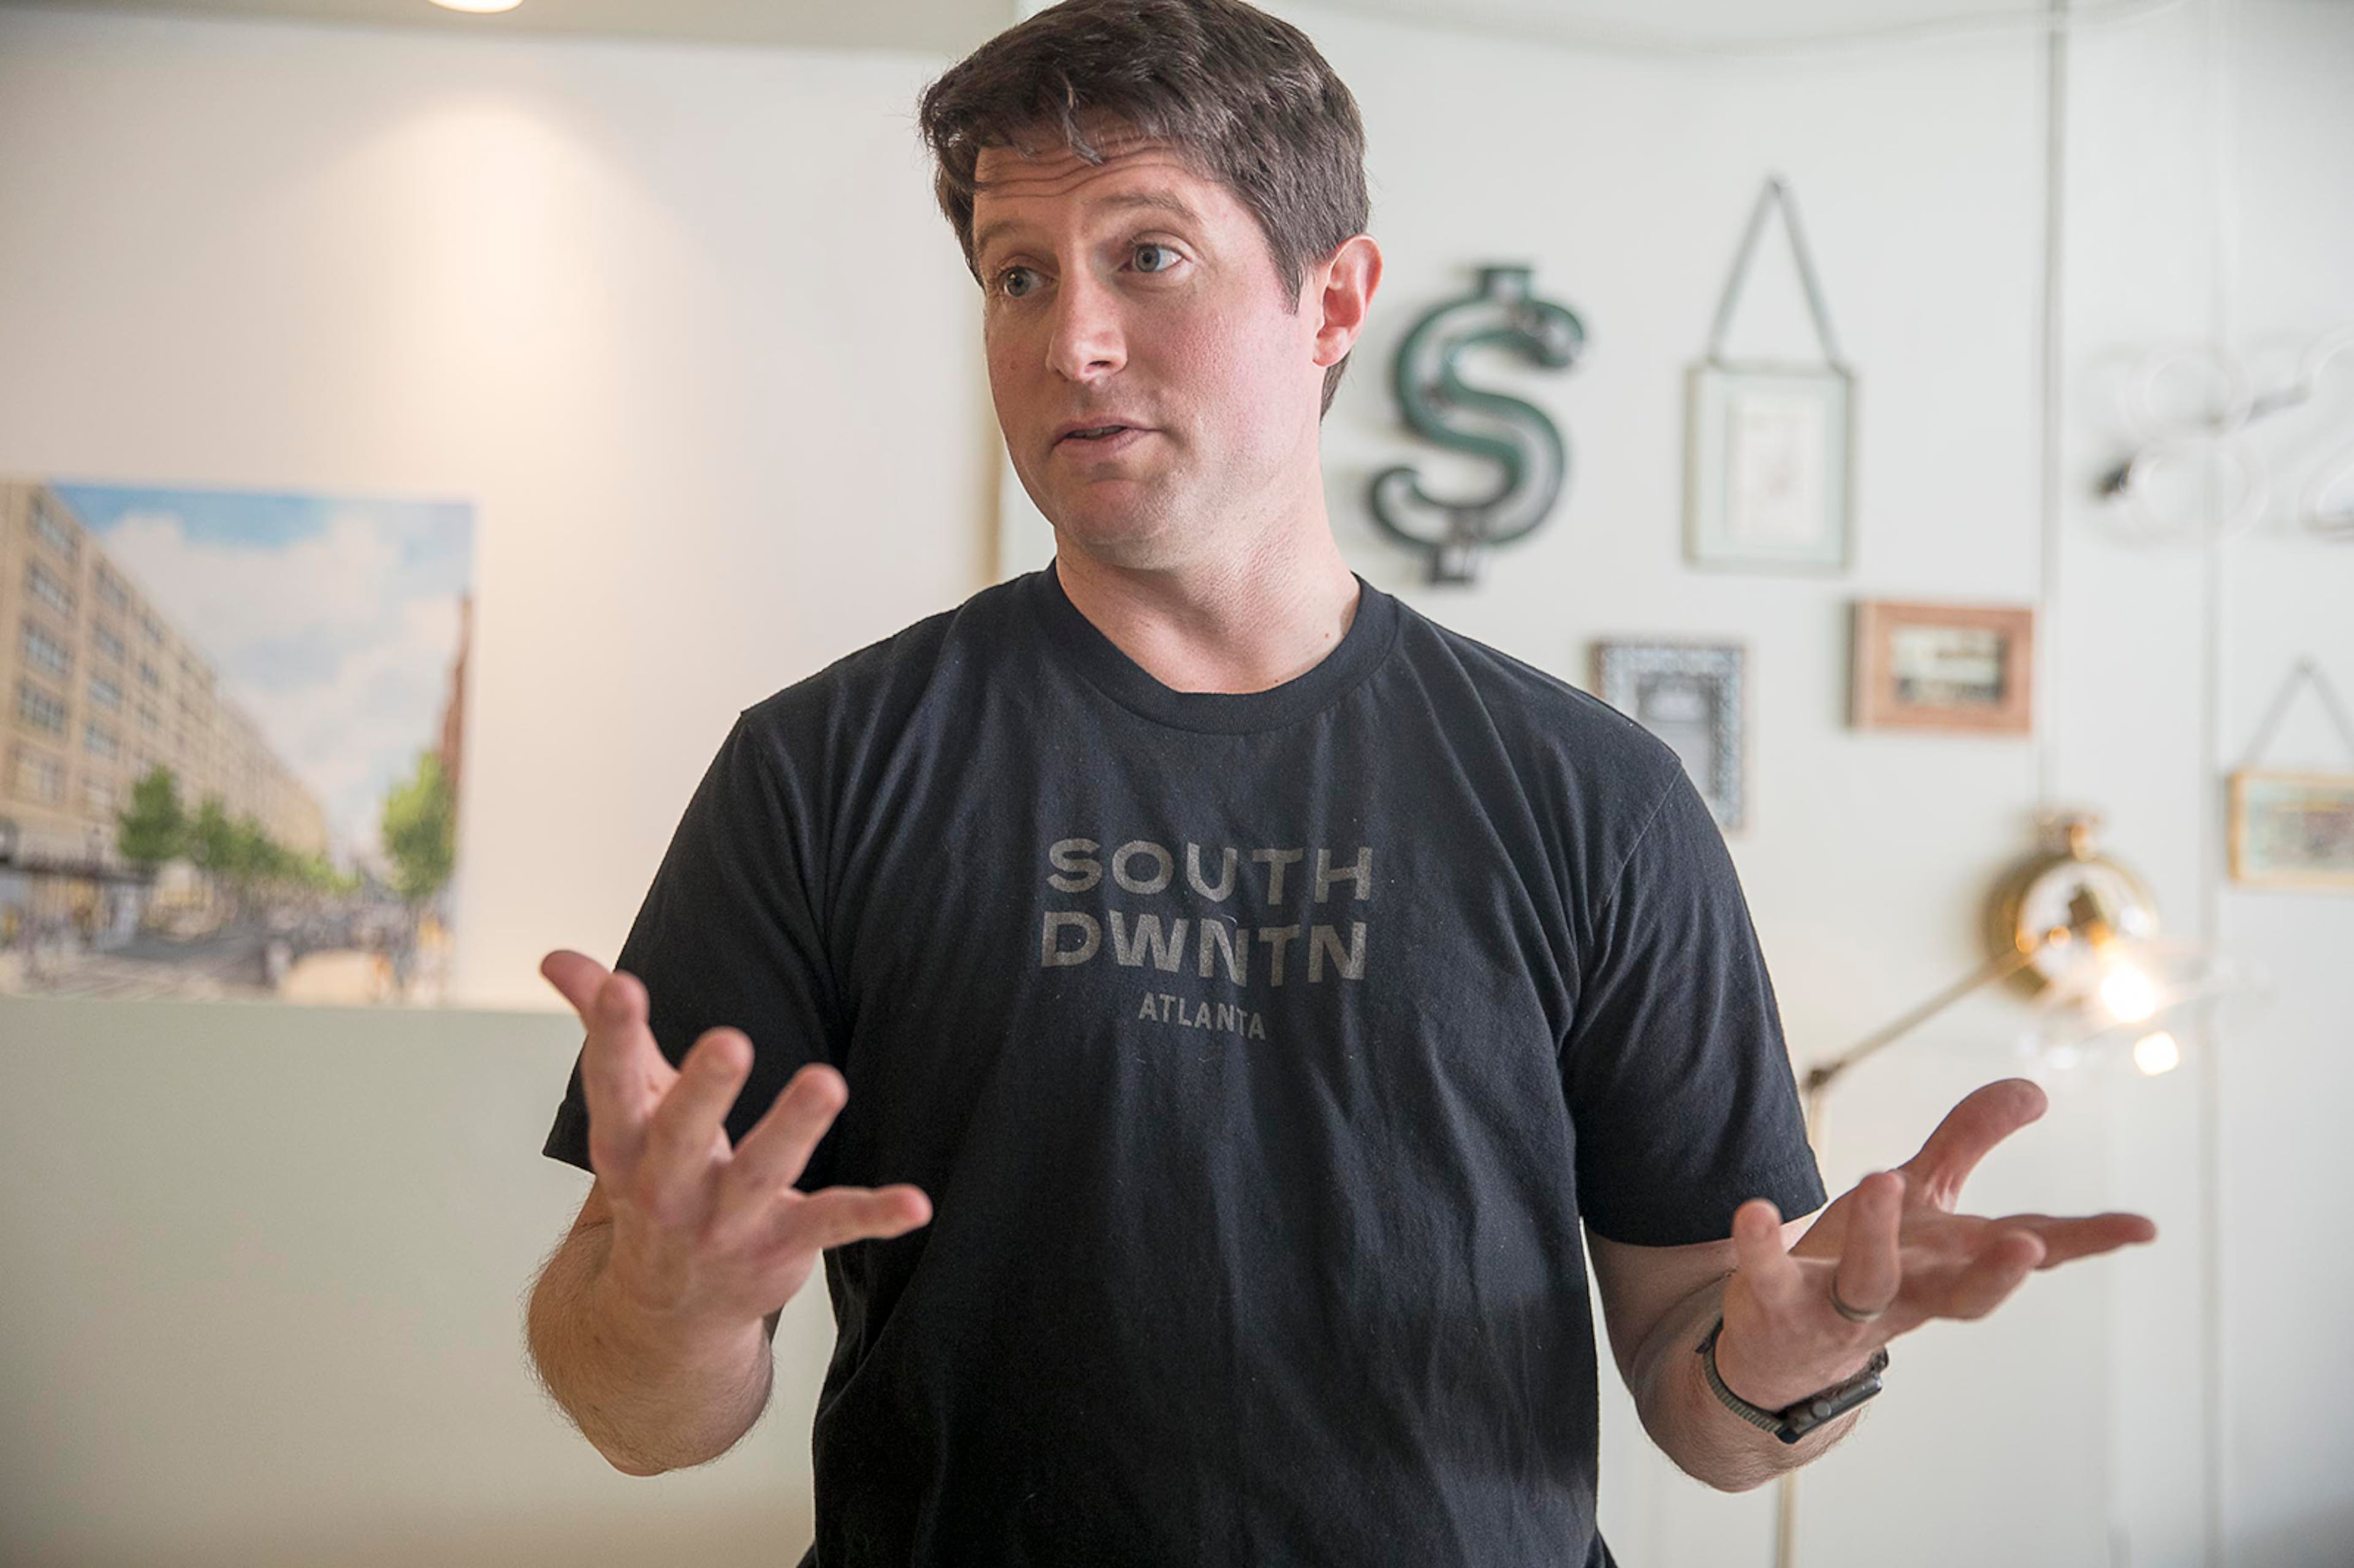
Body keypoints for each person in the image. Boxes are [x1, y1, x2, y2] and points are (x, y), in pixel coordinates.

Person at [524, 1, 2155, 1561]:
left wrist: (1795, 1367)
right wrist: (666, 1311)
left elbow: (1703, 1398)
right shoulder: (823, 770)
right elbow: (637, 1414)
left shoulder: (1595, 799)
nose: (1071, 339)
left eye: (1148, 256)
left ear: (1334, 300)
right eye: (1018, 276)